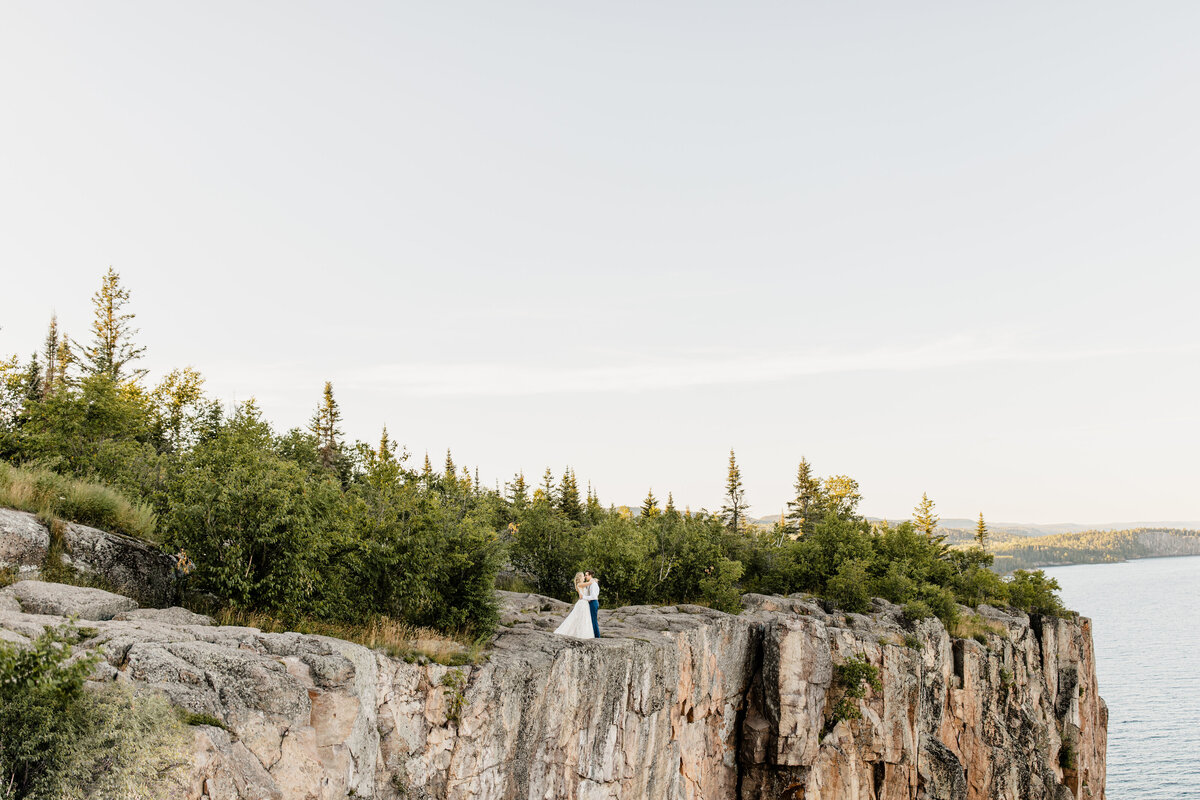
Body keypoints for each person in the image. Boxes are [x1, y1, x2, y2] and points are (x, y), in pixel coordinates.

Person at [553, 572, 596, 639]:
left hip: (585, 603)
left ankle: (582, 633)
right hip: (582, 603)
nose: (584, 577)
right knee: (580, 618)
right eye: (583, 576)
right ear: (580, 578)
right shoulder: (579, 584)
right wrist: (593, 580)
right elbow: (589, 583)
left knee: (583, 619)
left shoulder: (582, 585)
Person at [582, 570, 601, 638]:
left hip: (593, 602)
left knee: (593, 620)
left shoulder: (593, 584)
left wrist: (583, 597)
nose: (585, 576)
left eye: (586, 575)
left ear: (590, 575)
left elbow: (593, 596)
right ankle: (593, 635)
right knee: (591, 619)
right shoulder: (590, 583)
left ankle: (597, 636)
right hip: (591, 602)